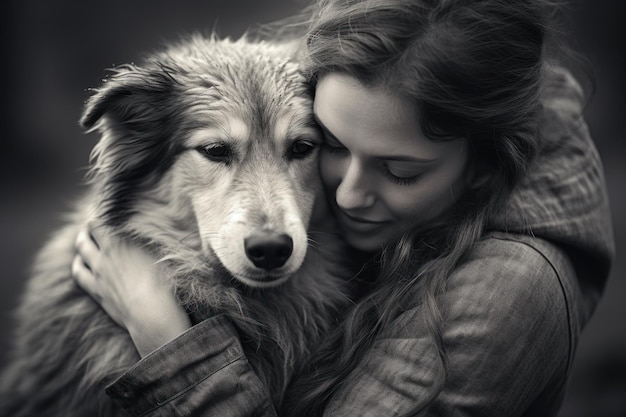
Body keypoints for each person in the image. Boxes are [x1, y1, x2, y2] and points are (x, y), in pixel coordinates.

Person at [71, 0, 614, 415]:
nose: (348, 196)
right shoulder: (381, 194)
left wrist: (168, 342)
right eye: (330, 144)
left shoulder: (505, 296)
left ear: (484, 167)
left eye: (400, 170)